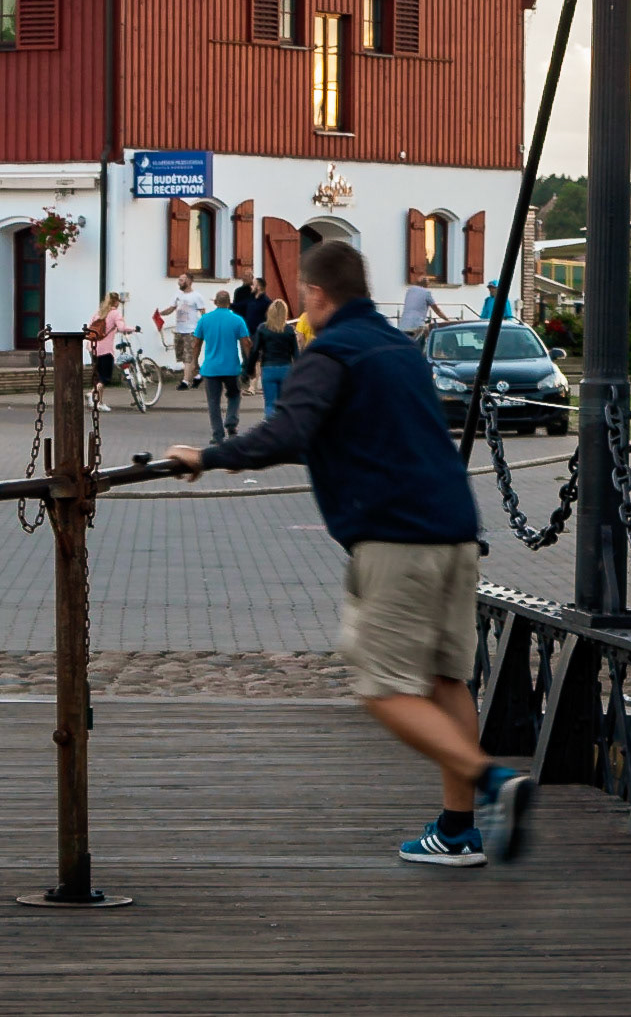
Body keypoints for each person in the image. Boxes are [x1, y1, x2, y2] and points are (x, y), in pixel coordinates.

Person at [162, 241, 535, 868]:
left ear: (314, 294)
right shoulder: (401, 351)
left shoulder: (332, 352)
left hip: (394, 538)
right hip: (455, 531)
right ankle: (457, 830)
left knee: (381, 685)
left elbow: (287, 431)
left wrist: (206, 456)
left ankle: (493, 781)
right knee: (447, 680)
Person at [194, 289, 251, 443]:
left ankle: (217, 435)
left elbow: (196, 343)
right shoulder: (237, 320)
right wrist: (250, 363)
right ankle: (231, 422)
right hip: (231, 368)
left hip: (210, 369)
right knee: (234, 395)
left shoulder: (205, 320)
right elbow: (246, 343)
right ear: (229, 303)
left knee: (213, 402)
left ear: (215, 302)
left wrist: (195, 363)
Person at [158, 274, 210, 389]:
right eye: (179, 279)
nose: (179, 282)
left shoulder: (197, 296)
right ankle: (198, 376)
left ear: (189, 281)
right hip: (179, 330)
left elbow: (203, 313)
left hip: (191, 331)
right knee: (183, 356)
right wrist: (160, 314)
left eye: (182, 280)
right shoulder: (177, 295)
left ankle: (185, 381)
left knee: (188, 356)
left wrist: (204, 329)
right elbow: (171, 308)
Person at [253, 299, 298, 418]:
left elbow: (255, 350)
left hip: (268, 368)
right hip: (286, 368)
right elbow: (296, 353)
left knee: (269, 404)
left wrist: (248, 369)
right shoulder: (289, 330)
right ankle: (283, 430)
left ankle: (270, 430)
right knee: (284, 403)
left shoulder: (263, 328)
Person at [88, 292, 130, 413]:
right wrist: (133, 329)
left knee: (98, 376)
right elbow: (122, 328)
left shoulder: (98, 313)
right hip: (105, 350)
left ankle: (99, 402)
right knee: (105, 378)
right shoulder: (115, 313)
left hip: (93, 348)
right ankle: (91, 394)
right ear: (116, 302)